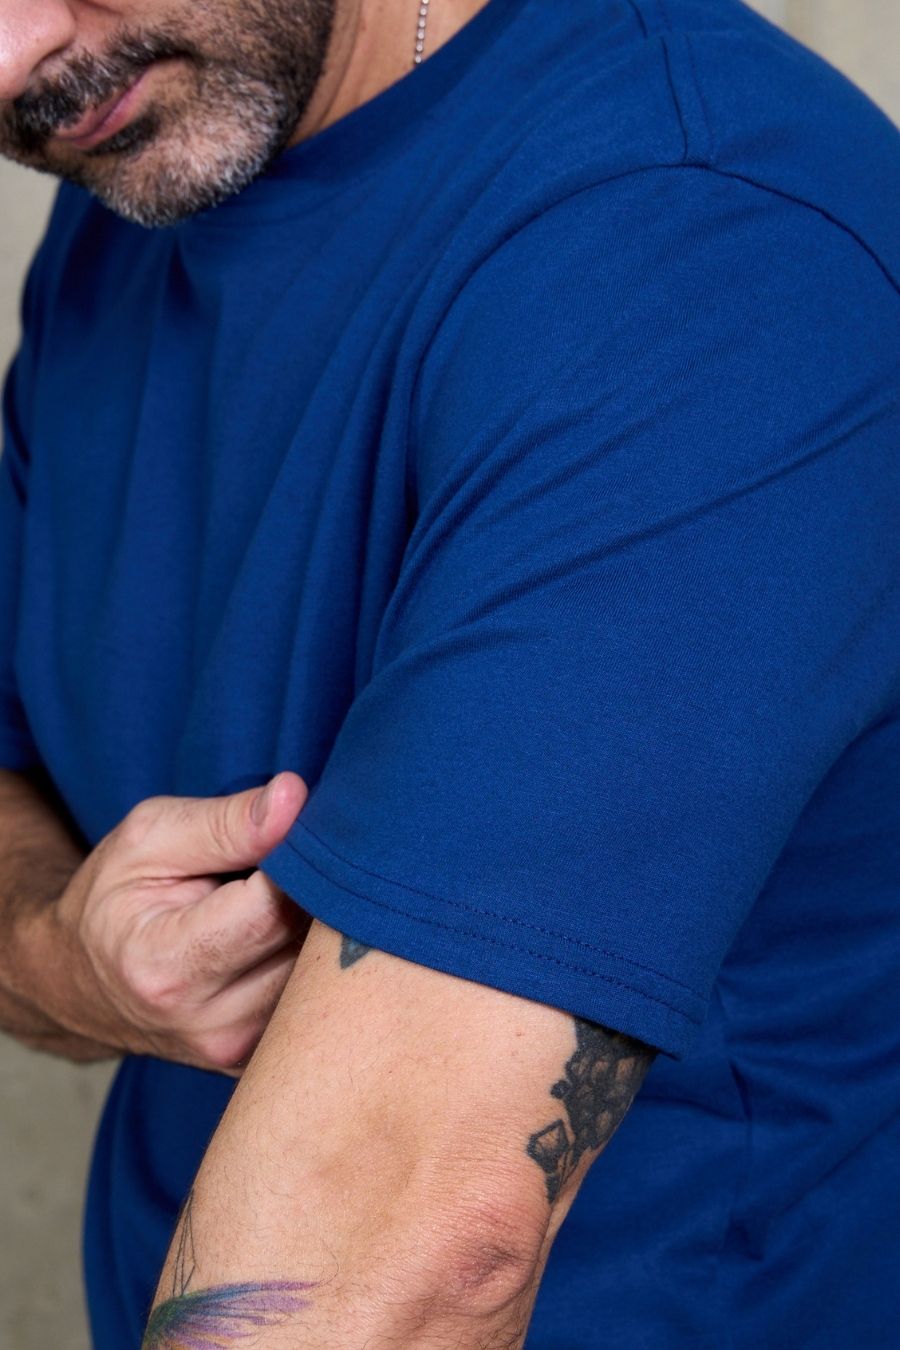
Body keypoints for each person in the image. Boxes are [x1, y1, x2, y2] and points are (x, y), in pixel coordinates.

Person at [0, 0, 898, 1344]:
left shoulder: (703, 253)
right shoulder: (139, 170)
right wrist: (57, 950)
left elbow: (399, 1265)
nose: (12, 58)